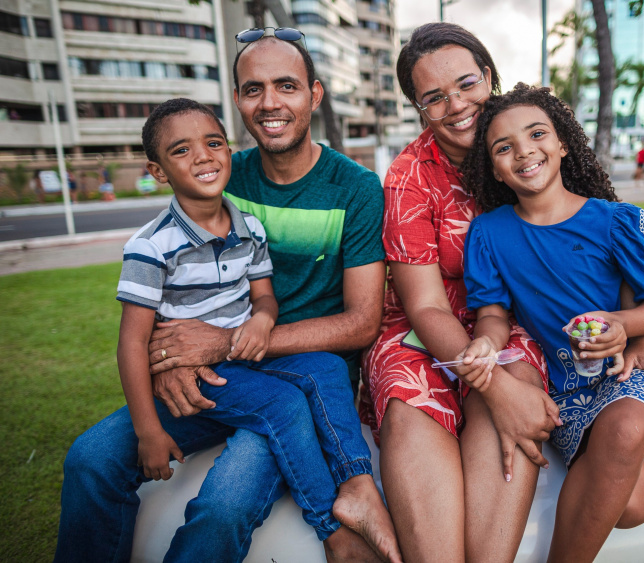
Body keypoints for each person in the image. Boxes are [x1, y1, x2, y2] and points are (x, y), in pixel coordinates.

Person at [55, 30, 399, 563]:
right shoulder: (216, 172)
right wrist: (169, 360)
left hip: (300, 383)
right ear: (237, 100)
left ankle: (341, 521)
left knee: (222, 507)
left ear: (315, 94)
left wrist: (224, 343)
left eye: (286, 85)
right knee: (89, 459)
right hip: (215, 376)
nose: (270, 103)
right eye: (252, 88)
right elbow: (159, 292)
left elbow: (361, 323)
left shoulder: (353, 187)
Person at [359, 22, 644, 562]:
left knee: (524, 382)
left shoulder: (533, 140)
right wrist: (494, 388)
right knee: (411, 398)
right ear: (419, 108)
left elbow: (599, 248)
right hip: (427, 329)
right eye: (434, 97)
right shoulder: (409, 179)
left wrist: (640, 336)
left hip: (517, 324)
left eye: (466, 84)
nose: (456, 104)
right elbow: (423, 306)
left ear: (488, 77)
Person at [459, 83, 644, 562]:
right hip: (566, 387)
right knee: (631, 507)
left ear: (562, 143)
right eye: (504, 147)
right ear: (493, 168)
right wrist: (484, 344)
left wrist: (624, 324)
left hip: (629, 371)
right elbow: (494, 314)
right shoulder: (490, 232)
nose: (524, 151)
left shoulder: (612, 222)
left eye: (537, 134)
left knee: (624, 433)